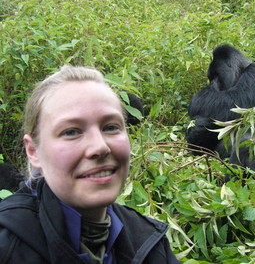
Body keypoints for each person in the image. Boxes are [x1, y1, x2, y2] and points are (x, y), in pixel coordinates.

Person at [0, 66, 180, 264]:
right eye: (71, 132)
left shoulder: (149, 241)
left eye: (111, 127)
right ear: (33, 151)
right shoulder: (7, 247)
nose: (100, 147)